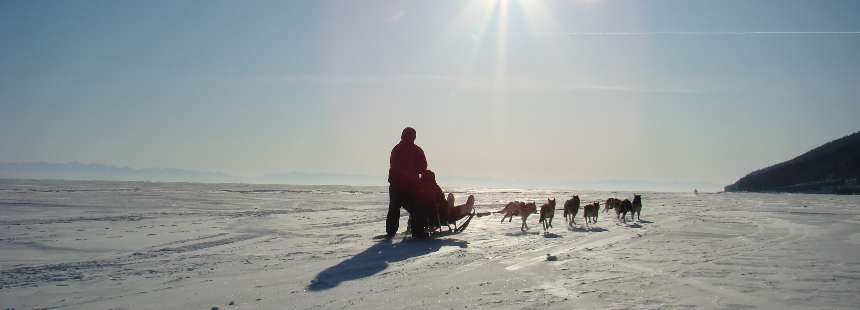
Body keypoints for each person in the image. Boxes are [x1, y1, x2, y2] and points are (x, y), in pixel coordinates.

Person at [386, 127, 427, 238]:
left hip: (404, 186)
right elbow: (423, 167)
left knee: (395, 209)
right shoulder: (404, 150)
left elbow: (423, 167)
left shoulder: (399, 149)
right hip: (403, 186)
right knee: (414, 209)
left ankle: (392, 232)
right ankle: (417, 232)